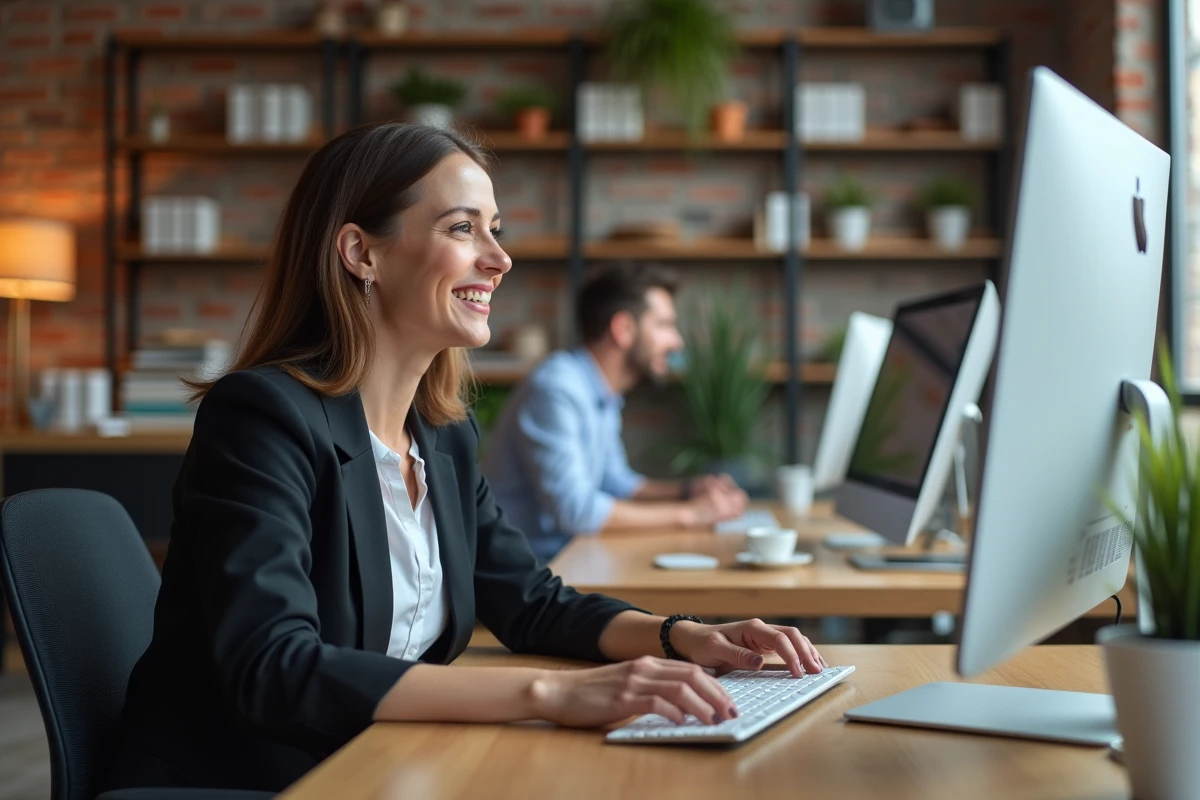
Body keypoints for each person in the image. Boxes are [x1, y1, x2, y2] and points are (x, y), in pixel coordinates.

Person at [101, 123, 824, 794]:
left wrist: (683, 635)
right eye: (461, 228)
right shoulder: (263, 418)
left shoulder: (441, 436)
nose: (500, 258)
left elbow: (532, 603)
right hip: (254, 780)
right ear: (362, 253)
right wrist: (552, 695)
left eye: (496, 231)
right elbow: (274, 669)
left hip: (377, 764)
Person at [484, 262, 749, 562]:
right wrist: (690, 514)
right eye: (663, 325)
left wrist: (688, 490)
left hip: (571, 561)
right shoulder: (557, 389)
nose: (677, 341)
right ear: (623, 329)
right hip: (530, 576)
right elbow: (575, 511)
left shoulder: (600, 391)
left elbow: (615, 482)